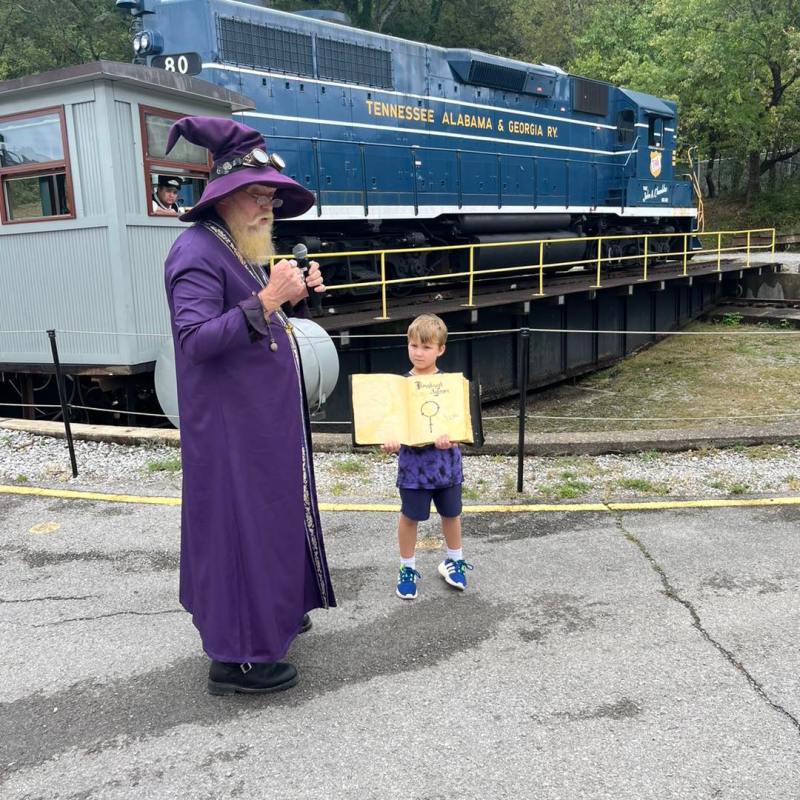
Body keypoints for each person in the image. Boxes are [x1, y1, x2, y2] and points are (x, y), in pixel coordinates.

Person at [162, 116, 336, 695]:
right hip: (231, 431)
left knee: (271, 519)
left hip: (260, 423)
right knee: (240, 529)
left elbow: (262, 323)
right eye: (260, 196)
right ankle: (238, 659)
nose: (270, 208)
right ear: (228, 197)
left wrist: (294, 298)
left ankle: (276, 614)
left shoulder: (236, 248)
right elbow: (196, 340)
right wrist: (268, 298)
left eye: (271, 196)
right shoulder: (193, 251)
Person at [381, 313, 473, 599]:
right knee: (410, 517)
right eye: (413, 346)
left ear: (441, 349)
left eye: (426, 347)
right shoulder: (398, 386)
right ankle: (407, 567)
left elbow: (462, 426)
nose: (418, 353)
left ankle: (454, 560)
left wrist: (455, 439)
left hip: (447, 466)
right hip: (413, 468)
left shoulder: (450, 385)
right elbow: (388, 424)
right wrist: (389, 441)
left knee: (452, 513)